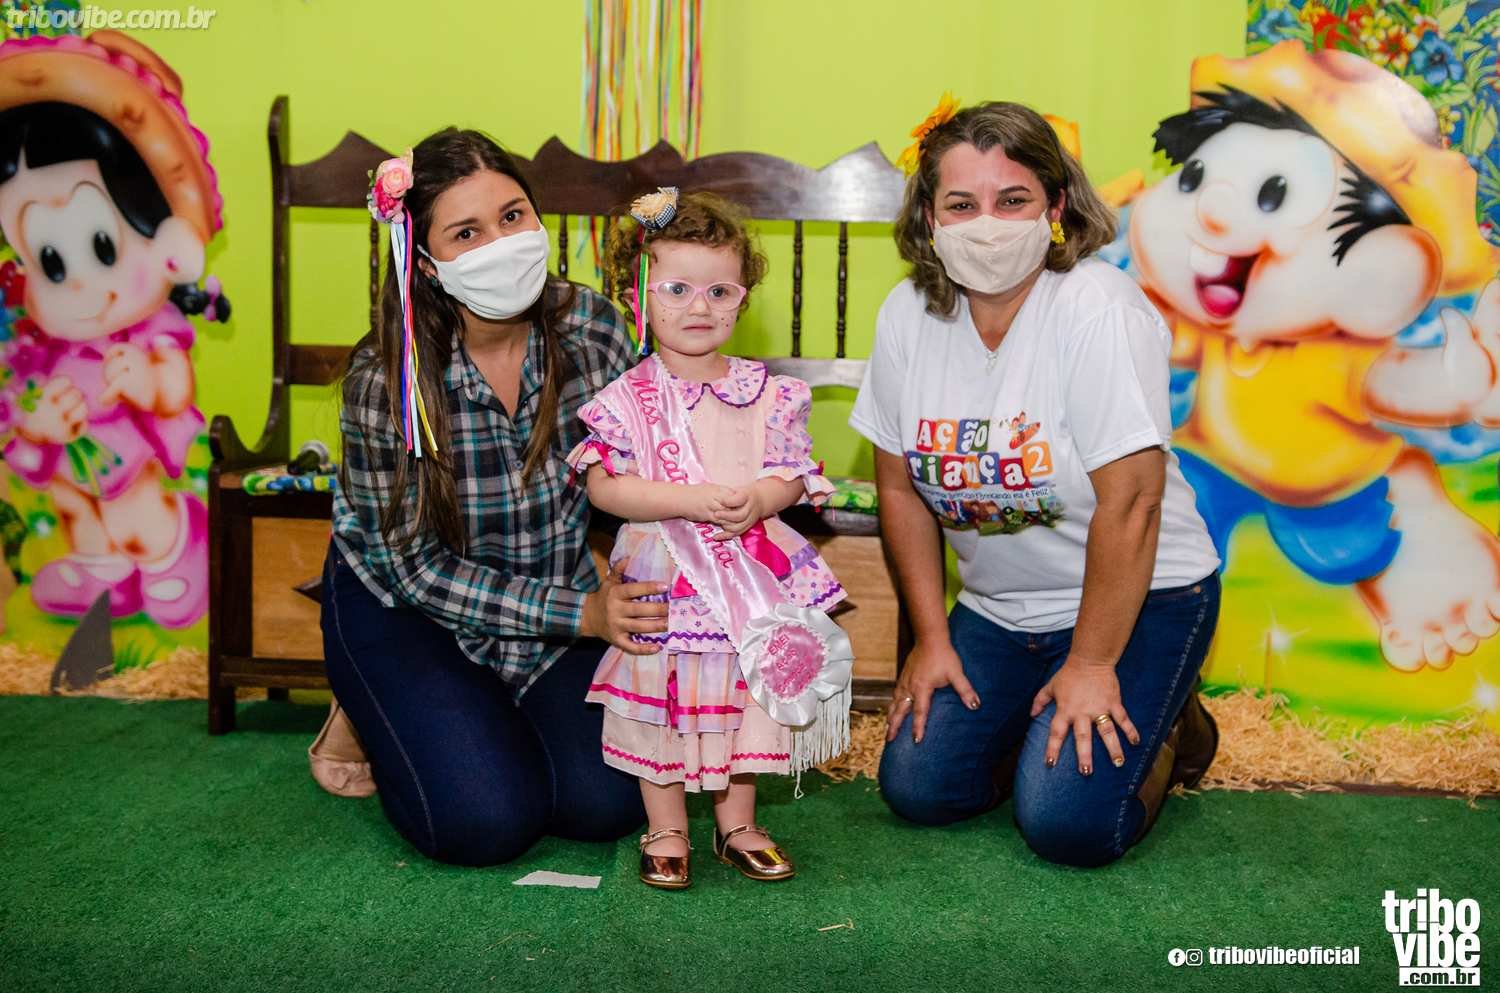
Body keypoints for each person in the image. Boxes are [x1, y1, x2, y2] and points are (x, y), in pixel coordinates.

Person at [850, 98, 1222, 867]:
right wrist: (932, 637)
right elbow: (899, 488)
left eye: (1012, 199)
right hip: (1002, 608)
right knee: (920, 788)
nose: (987, 223)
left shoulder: (1099, 308)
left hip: (1144, 598)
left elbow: (1134, 500)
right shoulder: (907, 314)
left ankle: (1175, 725)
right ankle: (1058, 714)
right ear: (929, 218)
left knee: (1064, 823)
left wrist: (1091, 665)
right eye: (962, 204)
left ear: (1054, 208)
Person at [320, 128, 661, 866]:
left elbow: (645, 464)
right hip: (409, 606)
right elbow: (414, 568)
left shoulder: (594, 330)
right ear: (426, 262)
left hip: (548, 584)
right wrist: (585, 615)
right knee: (485, 821)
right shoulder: (387, 380)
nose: (502, 244)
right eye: (466, 233)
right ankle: (373, 706)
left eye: (513, 216)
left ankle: (472, 718)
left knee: (606, 803)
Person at [567, 189, 850, 889]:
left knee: (742, 690)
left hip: (749, 570)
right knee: (662, 695)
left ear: (742, 298)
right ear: (636, 297)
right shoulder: (625, 399)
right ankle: (665, 825)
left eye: (720, 290)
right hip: (664, 575)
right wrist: (688, 501)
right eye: (678, 289)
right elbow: (605, 488)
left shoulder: (768, 392)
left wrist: (762, 499)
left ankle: (737, 824)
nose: (700, 306)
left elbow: (794, 473)